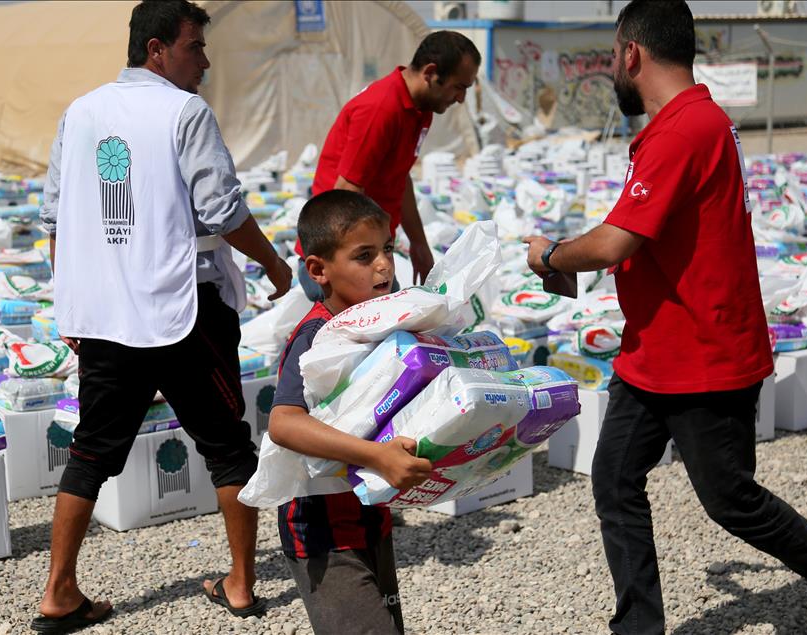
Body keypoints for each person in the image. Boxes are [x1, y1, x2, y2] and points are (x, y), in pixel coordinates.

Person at [522, 2, 807, 634]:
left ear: (631, 53)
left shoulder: (686, 129)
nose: (611, 66)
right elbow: (640, 233)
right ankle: (639, 628)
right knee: (615, 479)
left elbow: (614, 243)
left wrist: (550, 253)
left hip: (705, 353)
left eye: (612, 54)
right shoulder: (691, 124)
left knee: (731, 500)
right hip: (656, 349)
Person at [33, 1, 292, 632]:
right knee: (228, 447)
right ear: (157, 49)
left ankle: (59, 592)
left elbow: (55, 218)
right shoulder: (185, 111)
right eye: (195, 47)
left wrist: (71, 300)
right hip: (185, 308)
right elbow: (223, 209)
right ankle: (239, 583)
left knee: (91, 451)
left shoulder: (81, 111)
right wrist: (280, 269)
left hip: (104, 317)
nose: (204, 60)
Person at [268, 190, 435, 634]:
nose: (383, 264)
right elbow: (284, 424)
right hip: (323, 532)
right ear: (319, 270)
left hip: (371, 518)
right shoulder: (316, 338)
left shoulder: (379, 324)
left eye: (387, 249)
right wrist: (376, 456)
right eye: (364, 256)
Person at [297, 31, 481, 301]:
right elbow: (346, 193)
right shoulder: (381, 109)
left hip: (367, 259)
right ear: (430, 72)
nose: (461, 98)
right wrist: (348, 277)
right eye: (459, 87)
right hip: (343, 266)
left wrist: (419, 244)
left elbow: (399, 177)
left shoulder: (420, 110)